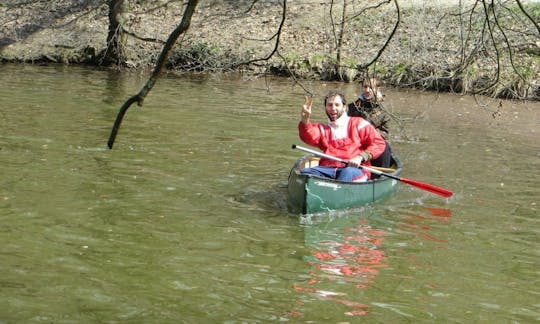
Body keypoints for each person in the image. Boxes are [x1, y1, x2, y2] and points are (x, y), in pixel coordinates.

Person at [298, 90, 386, 182]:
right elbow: (310, 136)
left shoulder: (359, 124)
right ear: (325, 108)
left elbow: (379, 143)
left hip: (355, 170)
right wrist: (305, 121)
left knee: (347, 173)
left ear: (344, 107)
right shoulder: (323, 129)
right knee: (305, 174)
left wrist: (360, 157)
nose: (333, 108)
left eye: (337, 105)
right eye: (329, 105)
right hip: (328, 168)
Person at [348, 77, 392, 167]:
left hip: (376, 142)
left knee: (385, 146)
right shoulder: (353, 106)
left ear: (377, 89)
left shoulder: (385, 108)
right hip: (357, 141)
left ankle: (380, 174)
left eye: (371, 87)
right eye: (365, 87)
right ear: (362, 88)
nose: (367, 90)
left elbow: (385, 133)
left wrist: (369, 134)